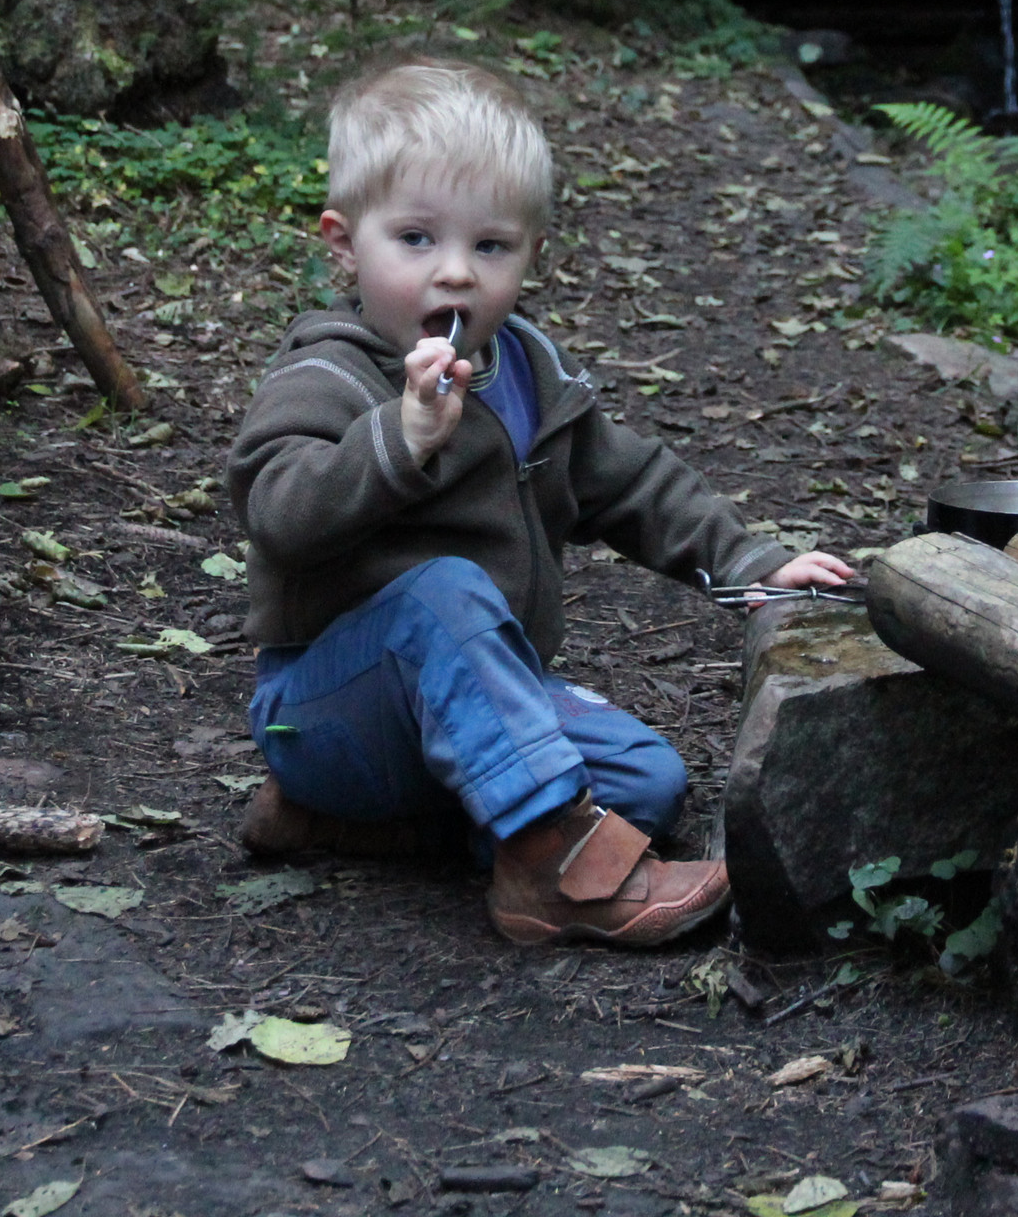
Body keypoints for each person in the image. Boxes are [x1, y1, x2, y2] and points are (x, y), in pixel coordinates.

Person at [225, 59, 859, 947]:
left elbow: (632, 483)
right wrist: (399, 441)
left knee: (645, 782)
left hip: (473, 707)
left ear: (531, 253)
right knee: (442, 593)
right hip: (327, 710)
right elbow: (277, 513)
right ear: (344, 243)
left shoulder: (527, 373)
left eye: (490, 247)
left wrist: (751, 562)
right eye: (416, 239)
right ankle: (551, 873)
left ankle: (350, 828)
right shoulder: (328, 374)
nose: (455, 274)